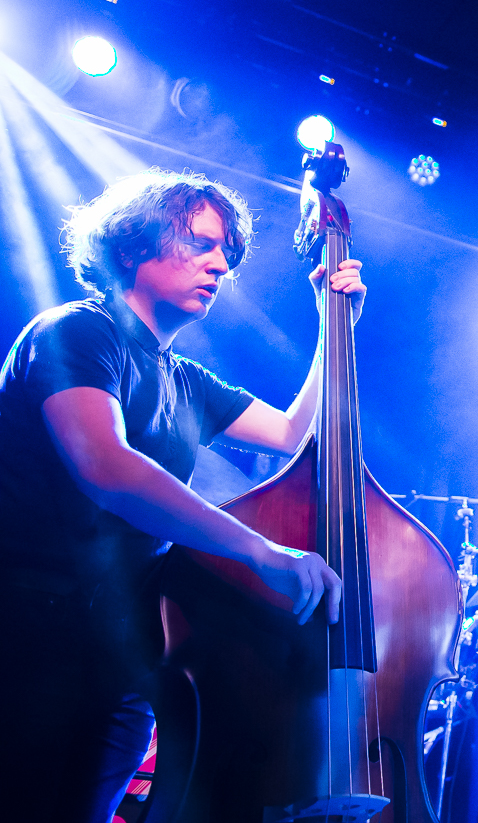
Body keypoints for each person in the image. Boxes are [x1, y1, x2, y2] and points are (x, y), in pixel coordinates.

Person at [0, 170, 363, 822]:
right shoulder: (79, 334)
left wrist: (333, 327)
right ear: (135, 245)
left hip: (123, 654)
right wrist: (261, 551)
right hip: (30, 633)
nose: (221, 265)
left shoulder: (183, 380)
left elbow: (292, 433)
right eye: (201, 244)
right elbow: (107, 468)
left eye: (227, 253)